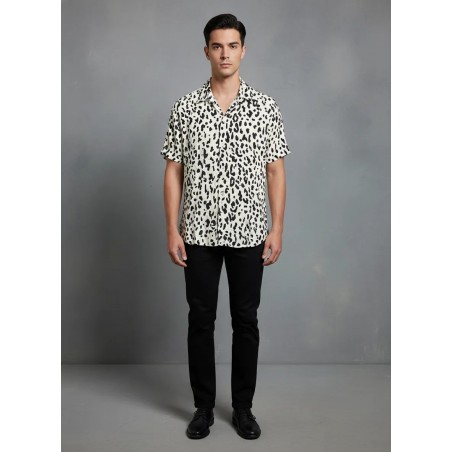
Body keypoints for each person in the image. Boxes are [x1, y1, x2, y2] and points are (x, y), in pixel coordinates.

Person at [160, 13, 291, 440]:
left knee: (245, 320)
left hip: (249, 232)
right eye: (217, 46)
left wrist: (277, 228)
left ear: (243, 50)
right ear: (206, 52)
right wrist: (172, 229)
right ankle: (202, 408)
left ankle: (243, 408)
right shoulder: (186, 107)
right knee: (200, 320)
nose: (225, 54)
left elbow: (275, 170)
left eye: (232, 46)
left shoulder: (265, 107)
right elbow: (173, 170)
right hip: (198, 232)